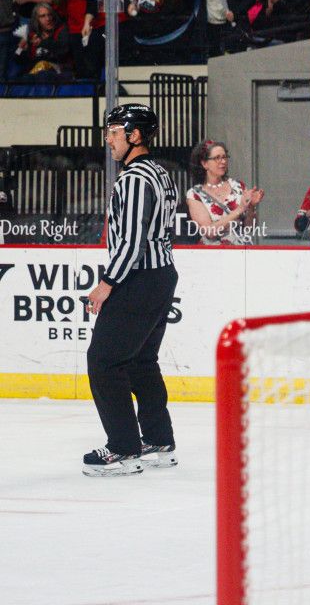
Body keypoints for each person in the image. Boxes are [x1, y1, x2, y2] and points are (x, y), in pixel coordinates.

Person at [83, 104, 180, 477]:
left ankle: (124, 448)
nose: (108, 139)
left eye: (113, 132)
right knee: (141, 361)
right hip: (160, 276)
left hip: (138, 279)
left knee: (104, 362)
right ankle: (159, 440)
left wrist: (106, 284)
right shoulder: (160, 172)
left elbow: (132, 241)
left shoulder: (134, 179)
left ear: (134, 135)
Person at [185, 139, 264, 245]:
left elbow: (248, 229)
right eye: (217, 158)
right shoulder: (195, 194)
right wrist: (239, 209)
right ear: (204, 164)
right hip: (213, 255)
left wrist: (250, 207)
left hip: (240, 253)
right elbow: (209, 231)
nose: (223, 161)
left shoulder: (238, 186)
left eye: (224, 157)